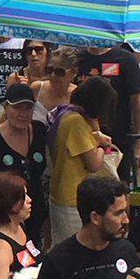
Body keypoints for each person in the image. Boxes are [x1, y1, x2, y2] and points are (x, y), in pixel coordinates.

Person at [31, 177, 140, 279]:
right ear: (95, 217)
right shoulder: (58, 261)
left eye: (125, 212)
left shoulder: (126, 250)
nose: (126, 220)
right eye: (118, 213)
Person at [48, 76, 118, 245]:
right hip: (70, 198)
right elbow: (94, 164)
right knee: (71, 246)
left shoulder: (66, 113)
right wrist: (102, 147)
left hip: (62, 193)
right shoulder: (77, 123)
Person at [0, 84, 47, 244]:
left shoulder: (39, 130)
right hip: (7, 215)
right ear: (6, 108)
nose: (23, 114)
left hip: (36, 210)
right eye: (17, 108)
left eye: (28, 108)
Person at [78, 42, 140, 181]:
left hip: (118, 136)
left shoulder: (125, 59)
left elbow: (137, 100)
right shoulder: (78, 58)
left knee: (119, 188)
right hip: (85, 137)